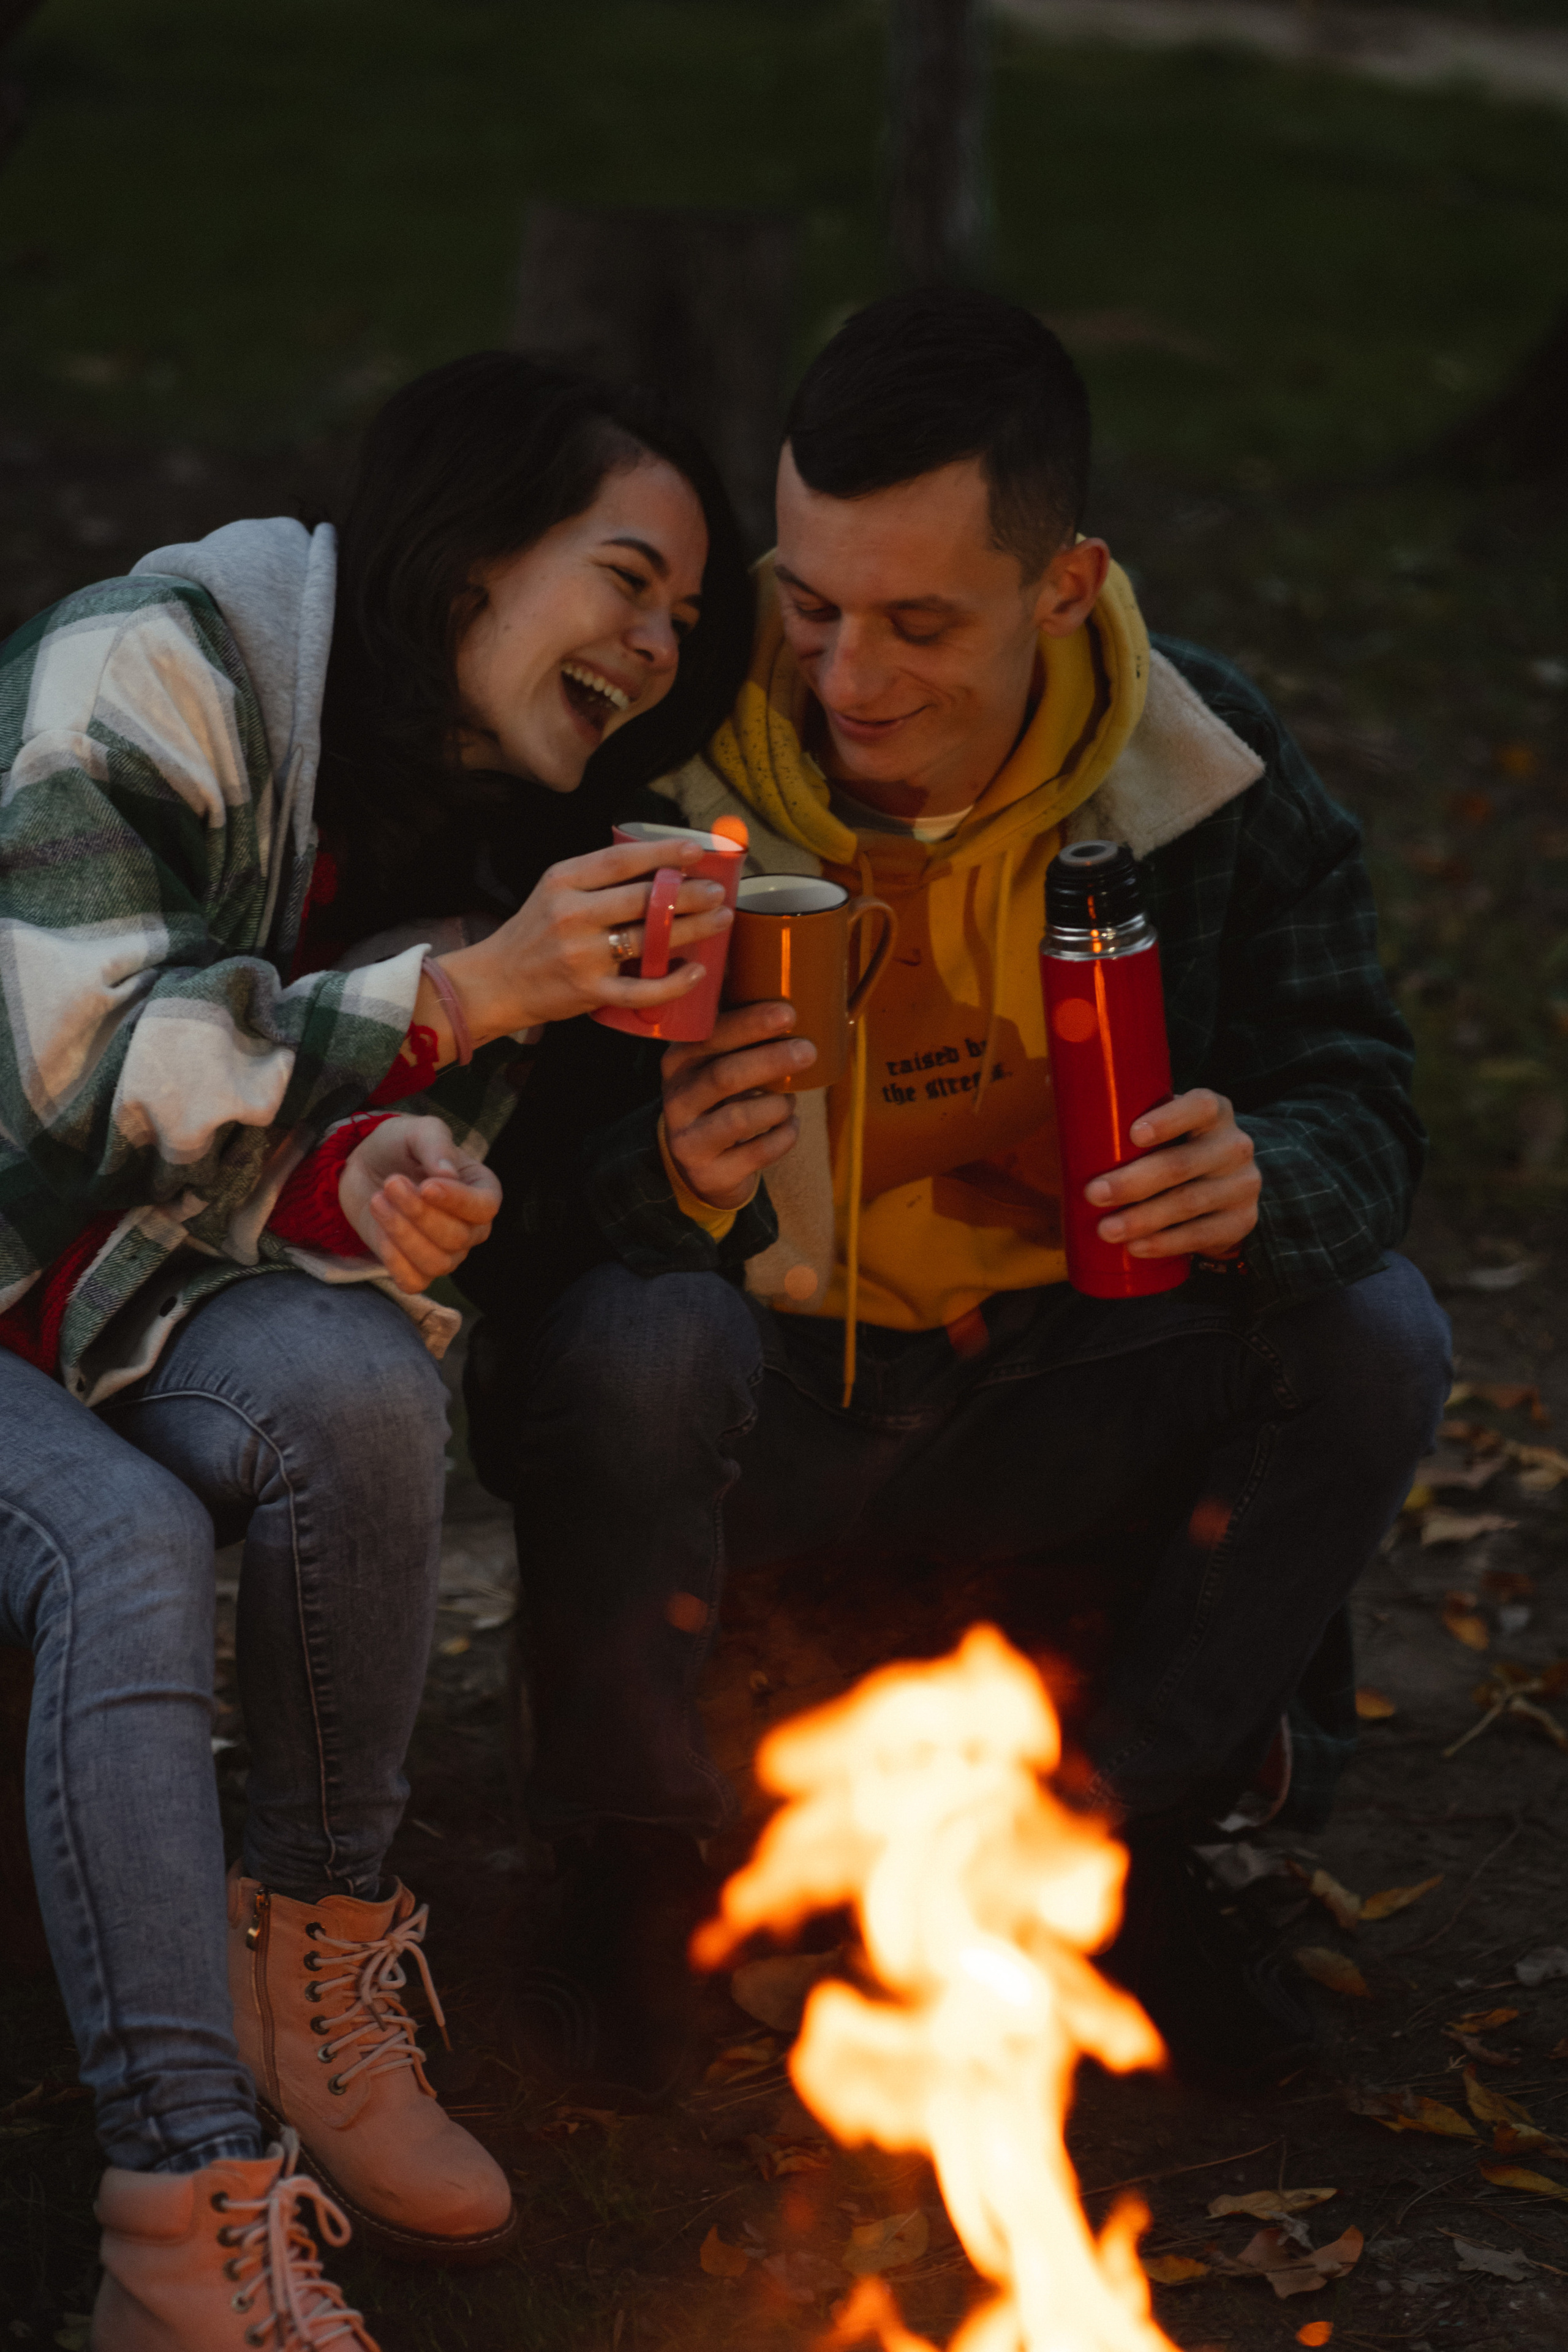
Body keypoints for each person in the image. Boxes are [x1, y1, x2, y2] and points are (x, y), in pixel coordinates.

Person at [461, 289, 1452, 2099]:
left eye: (922, 624)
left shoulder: (1199, 767)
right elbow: (495, 1212)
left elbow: (1363, 1099)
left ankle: (1116, 1854)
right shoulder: (649, 772)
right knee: (639, 1337)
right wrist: (654, 1175)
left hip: (1047, 1379)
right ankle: (625, 1878)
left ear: (1064, 589)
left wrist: (1263, 1172)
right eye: (812, 607)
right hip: (755, 1415)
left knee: (1374, 1326)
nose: (846, 682)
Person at [0, 351, 749, 2348]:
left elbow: (297, 1161)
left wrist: (383, 1178)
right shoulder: (148, 667)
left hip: (92, 1303)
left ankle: (310, 1951)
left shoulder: (472, 828)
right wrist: (461, 1004)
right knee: (120, 1551)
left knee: (362, 1388)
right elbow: (78, 1077)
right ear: (465, 550)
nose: (662, 650)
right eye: (631, 579)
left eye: (688, 622)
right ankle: (179, 2213)